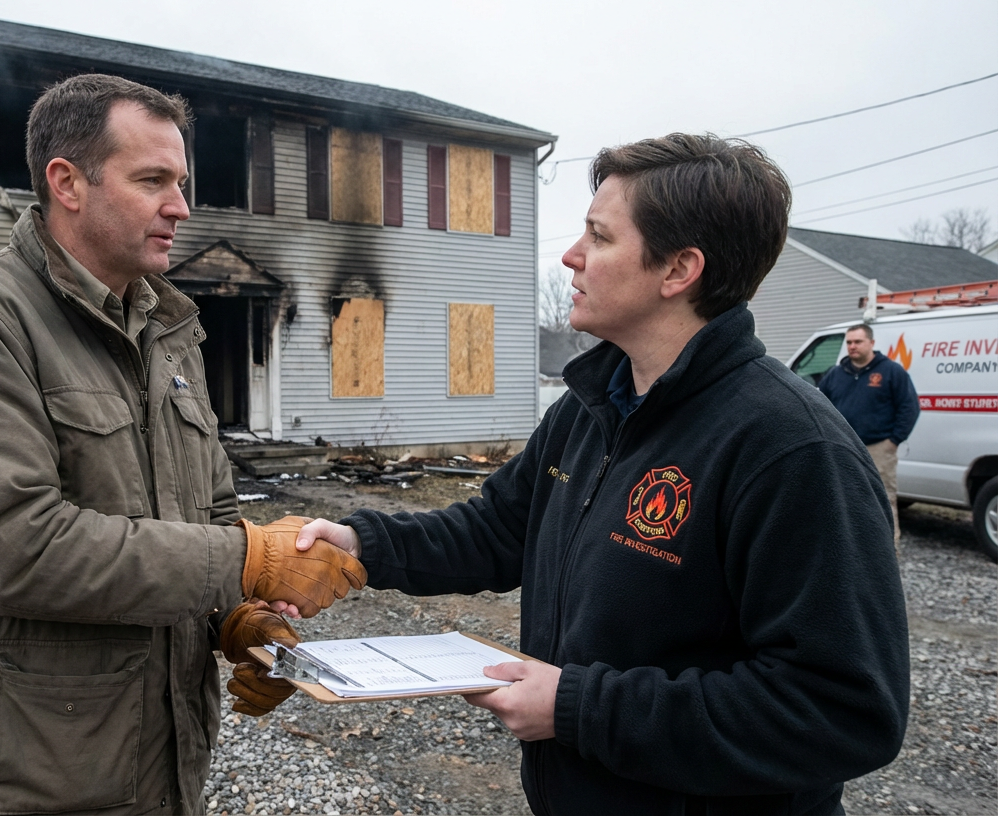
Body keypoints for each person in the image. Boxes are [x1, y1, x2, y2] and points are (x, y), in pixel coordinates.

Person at [291, 134, 910, 814]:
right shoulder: (592, 405)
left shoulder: (790, 448)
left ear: (678, 270)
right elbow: (500, 528)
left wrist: (579, 708)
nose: (571, 257)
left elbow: (843, 709)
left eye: (599, 237)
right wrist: (363, 546)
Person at [0, 75, 364, 815]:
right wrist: (246, 558)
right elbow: (11, 549)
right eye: (153, 181)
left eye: (182, 182)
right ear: (68, 183)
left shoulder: (170, 333)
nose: (182, 206)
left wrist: (240, 619)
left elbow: (206, 515)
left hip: (163, 763)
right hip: (28, 778)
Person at [818, 323, 920, 550]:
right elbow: (820, 406)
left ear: (871, 343)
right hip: (842, 447)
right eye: (849, 342)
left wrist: (893, 441)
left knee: (882, 501)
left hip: (878, 448)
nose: (852, 347)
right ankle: (848, 551)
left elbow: (909, 407)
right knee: (842, 500)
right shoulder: (835, 374)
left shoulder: (891, 372)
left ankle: (887, 554)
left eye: (858, 342)